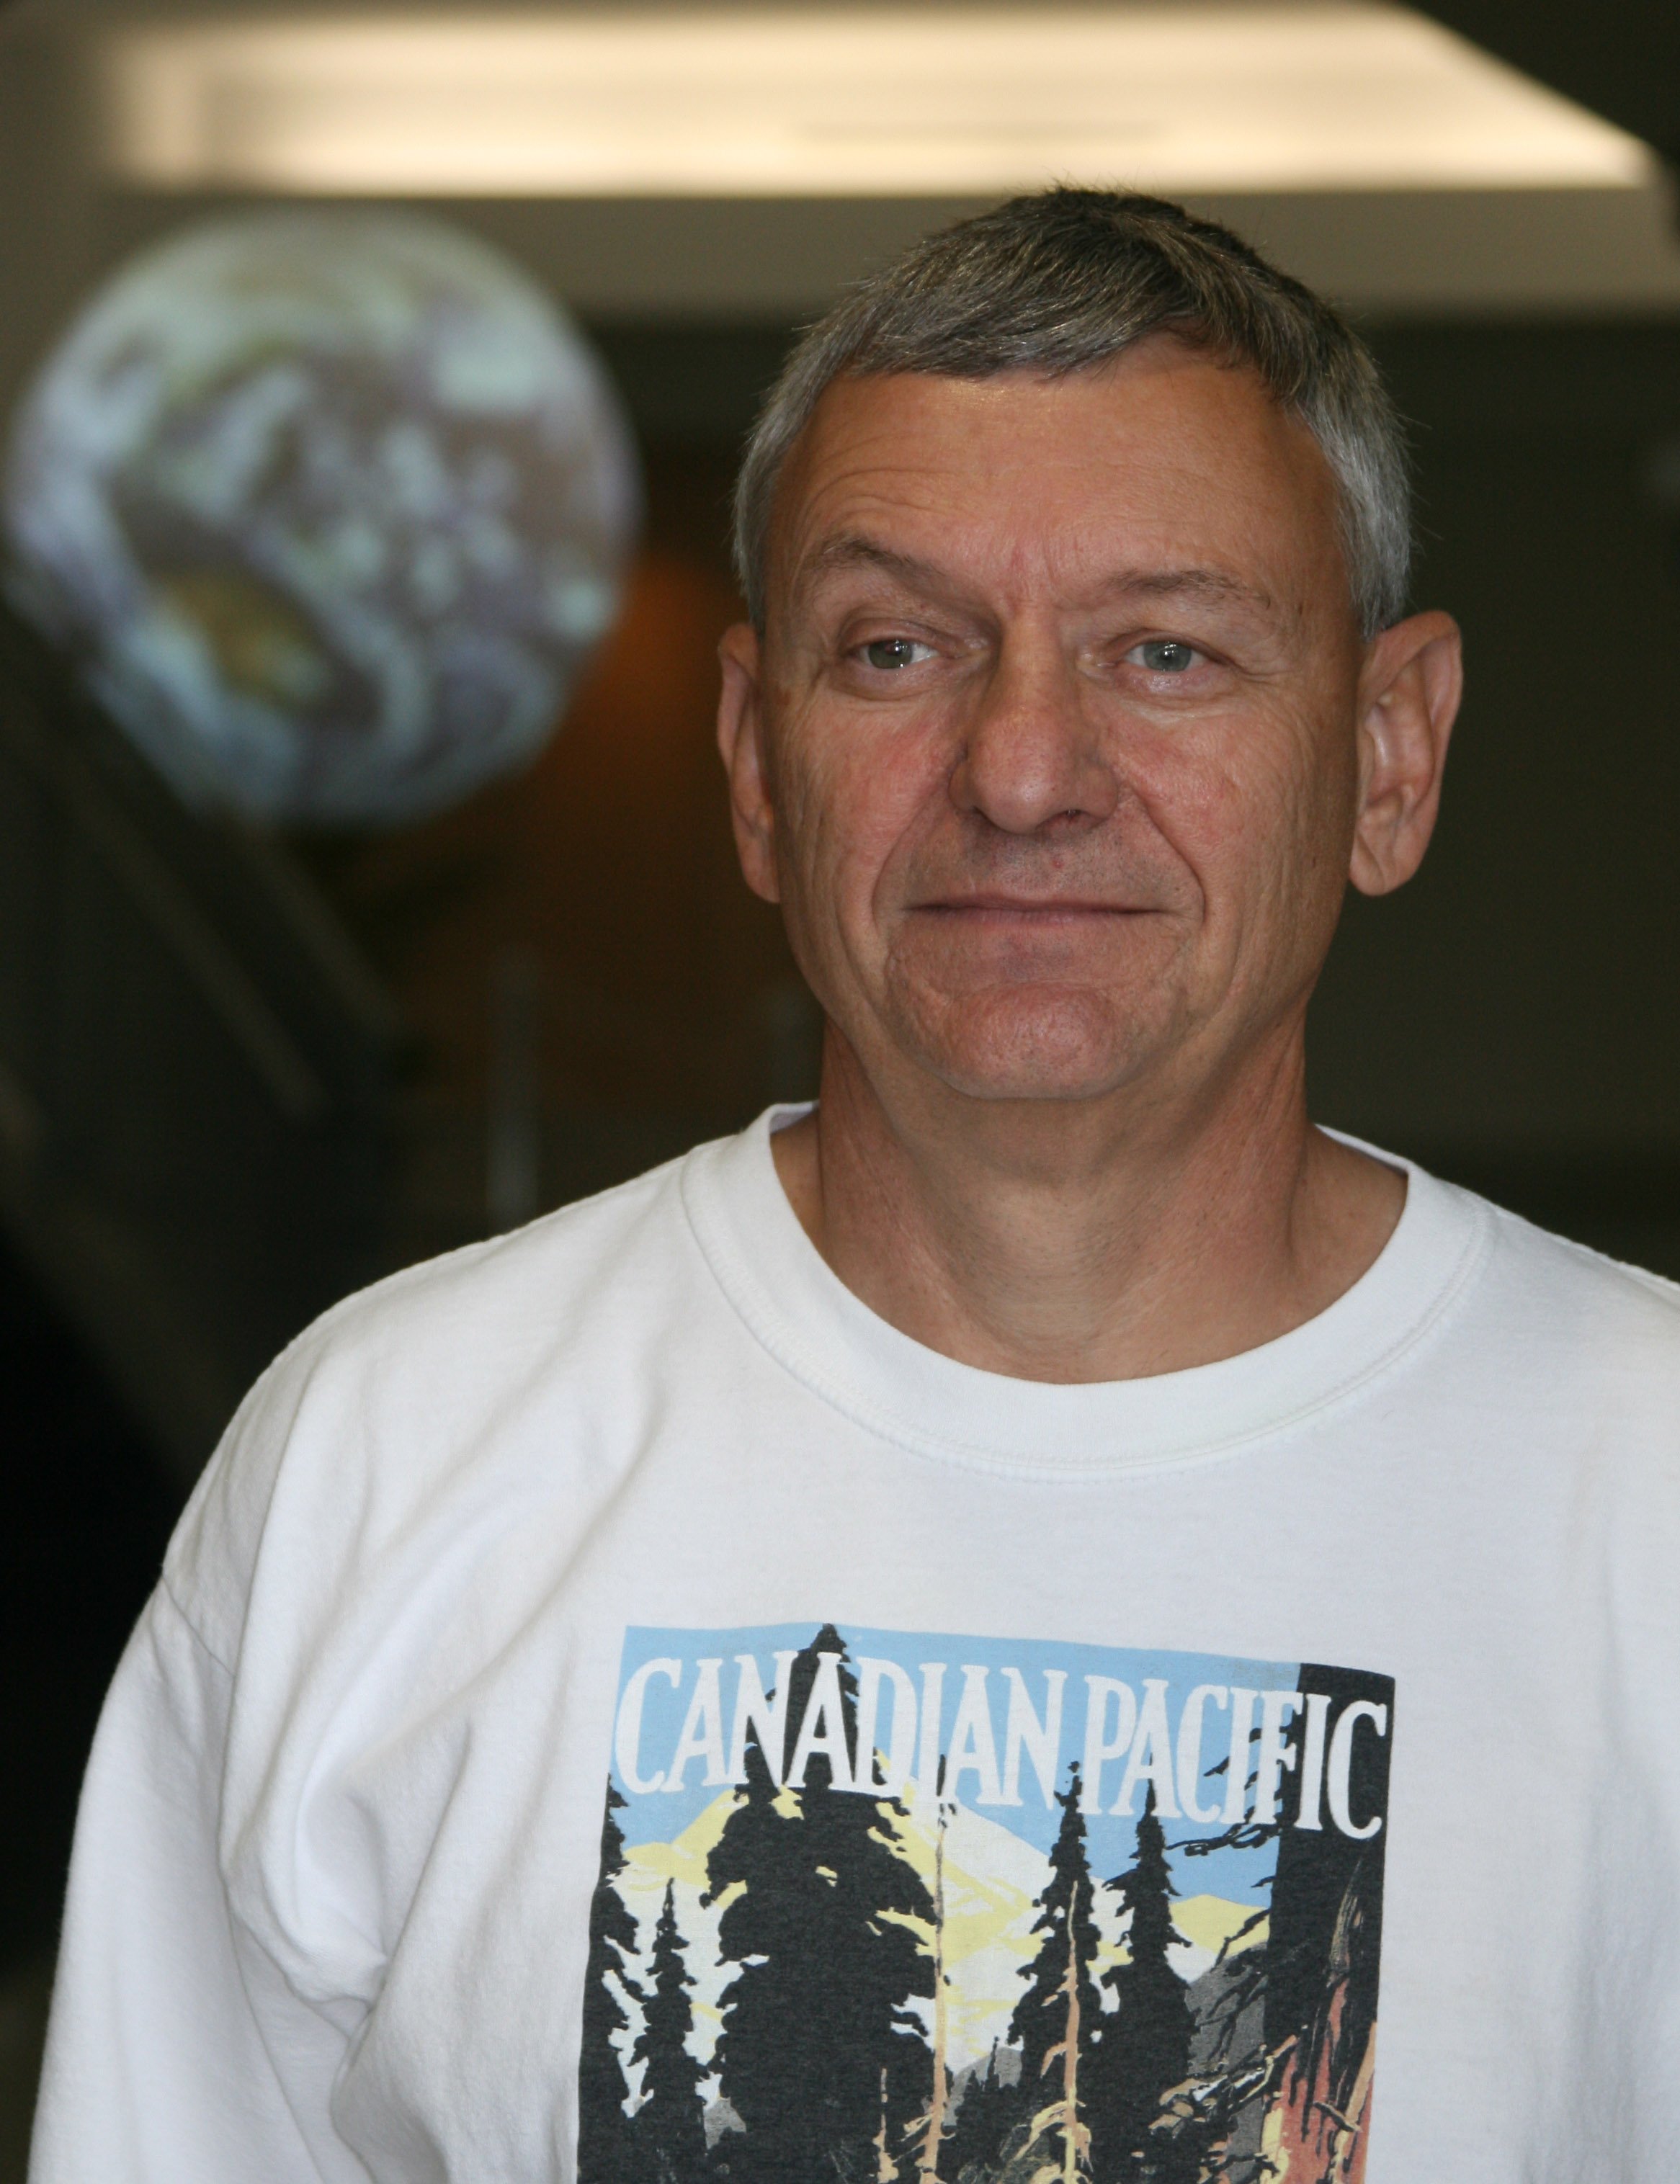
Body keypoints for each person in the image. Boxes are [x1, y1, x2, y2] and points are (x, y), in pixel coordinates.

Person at [30, 189, 1679, 2184]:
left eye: (1164, 651)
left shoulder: (1640, 1487)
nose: (1018, 768)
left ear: (1389, 756)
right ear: (754, 759)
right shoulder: (390, 1456)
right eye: (897, 647)